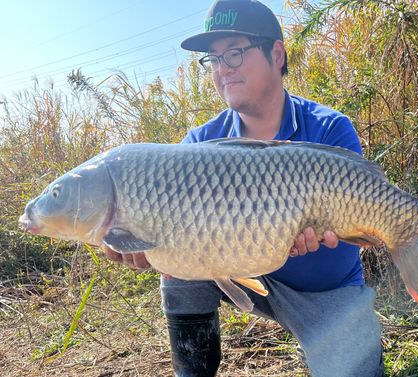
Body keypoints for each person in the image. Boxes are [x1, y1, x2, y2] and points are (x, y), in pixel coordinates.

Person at [106, 0, 384, 375]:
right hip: (239, 274)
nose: (222, 69)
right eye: (213, 59)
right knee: (176, 263)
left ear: (277, 53)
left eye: (234, 53)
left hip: (324, 292)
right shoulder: (200, 144)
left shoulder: (330, 129)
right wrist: (144, 244)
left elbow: (354, 240)